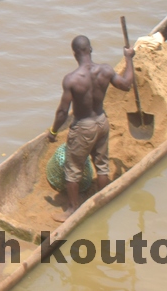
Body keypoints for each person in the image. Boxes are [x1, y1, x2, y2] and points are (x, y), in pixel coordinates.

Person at [46, 35, 134, 222]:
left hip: (83, 126)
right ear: (91, 50)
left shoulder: (72, 79)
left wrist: (53, 132)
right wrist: (128, 58)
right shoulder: (106, 70)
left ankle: (72, 209)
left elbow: (63, 111)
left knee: (73, 168)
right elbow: (126, 85)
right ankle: (102, 199)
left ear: (74, 54)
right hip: (102, 122)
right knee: (101, 165)